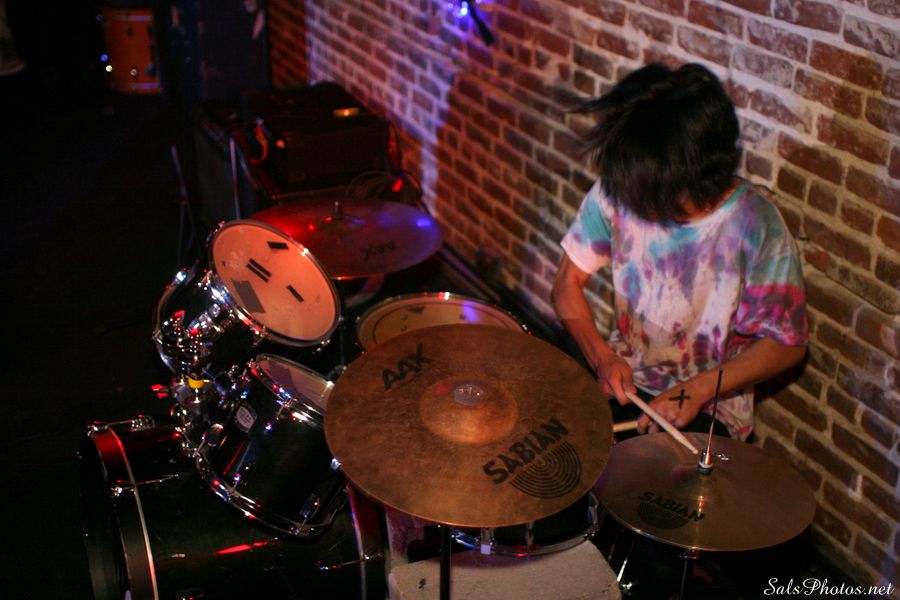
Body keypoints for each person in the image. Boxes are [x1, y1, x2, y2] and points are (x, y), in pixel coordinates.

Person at [551, 62, 808, 440]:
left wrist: (698, 389)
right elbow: (566, 283)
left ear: (695, 175)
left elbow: (787, 344)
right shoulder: (623, 187)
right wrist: (601, 357)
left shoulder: (754, 223)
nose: (638, 202)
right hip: (626, 379)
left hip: (710, 402)